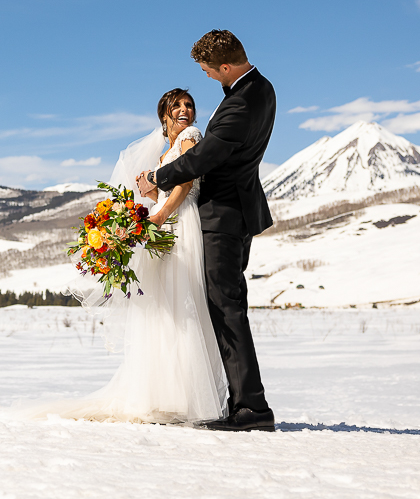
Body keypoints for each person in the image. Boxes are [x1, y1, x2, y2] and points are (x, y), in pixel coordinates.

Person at [38, 88, 227, 424]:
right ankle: (164, 393)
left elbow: (185, 182)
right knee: (162, 309)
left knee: (183, 304)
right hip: (166, 225)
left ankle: (187, 397)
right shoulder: (165, 152)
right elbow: (169, 186)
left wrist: (159, 213)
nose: (185, 110)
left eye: (189, 105)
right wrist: (150, 195)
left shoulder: (191, 136)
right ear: (164, 115)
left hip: (181, 224)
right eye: (177, 106)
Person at [135, 29, 276, 432]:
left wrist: (159, 178)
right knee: (225, 308)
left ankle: (251, 407)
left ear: (226, 66)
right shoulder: (259, 90)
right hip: (232, 214)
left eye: (208, 71)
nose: (208, 77)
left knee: (227, 309)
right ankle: (240, 402)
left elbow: (207, 156)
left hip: (223, 217)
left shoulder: (242, 103)